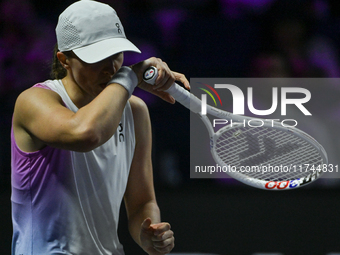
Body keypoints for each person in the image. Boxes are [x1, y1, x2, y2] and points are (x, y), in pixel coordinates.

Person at [11, 0, 189, 254]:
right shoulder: (34, 101)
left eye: (116, 55)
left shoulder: (135, 111)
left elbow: (141, 202)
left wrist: (147, 234)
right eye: (97, 58)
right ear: (65, 60)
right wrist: (130, 76)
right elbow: (86, 133)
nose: (110, 68)